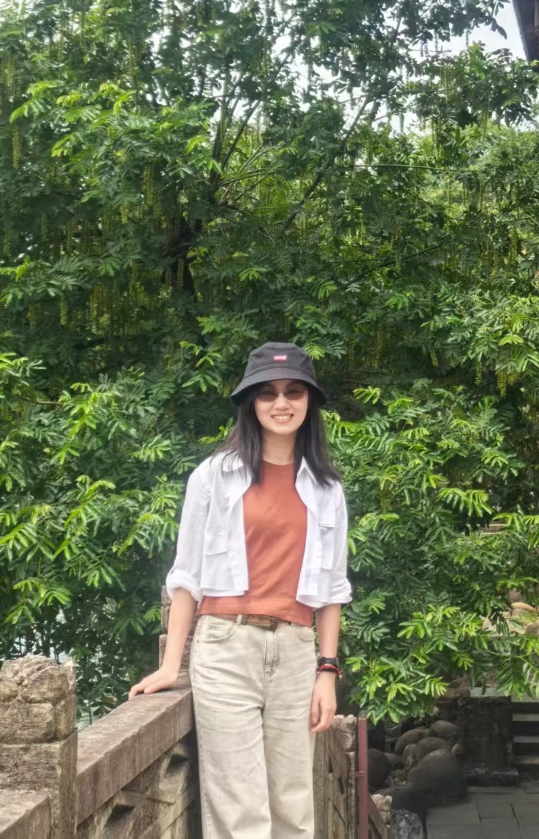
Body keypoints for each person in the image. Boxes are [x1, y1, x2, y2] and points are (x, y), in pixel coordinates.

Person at [129, 342, 352, 838]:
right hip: (225, 649)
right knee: (241, 813)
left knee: (294, 809)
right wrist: (171, 665)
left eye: (294, 392)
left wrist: (327, 672)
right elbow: (186, 575)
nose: (281, 403)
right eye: (267, 393)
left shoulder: (326, 488)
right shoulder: (214, 476)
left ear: (309, 402)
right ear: (250, 402)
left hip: (295, 653)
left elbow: (332, 591)